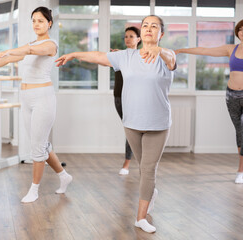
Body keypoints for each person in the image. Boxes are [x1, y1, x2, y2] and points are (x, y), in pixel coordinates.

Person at [56, 15, 176, 233]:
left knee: (148, 170)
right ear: (141, 32)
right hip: (131, 123)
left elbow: (171, 57)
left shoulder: (167, 57)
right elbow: (98, 56)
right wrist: (74, 54)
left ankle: (140, 218)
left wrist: (159, 50)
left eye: (154, 26)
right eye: (146, 25)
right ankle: (151, 193)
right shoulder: (126, 56)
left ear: (161, 33)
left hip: (158, 124)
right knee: (143, 168)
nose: (149, 29)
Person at [0, 6, 72, 203]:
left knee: (37, 147)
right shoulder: (29, 44)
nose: (36, 24)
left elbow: (28, 50)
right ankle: (64, 176)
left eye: (40, 20)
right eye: (34, 20)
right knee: (42, 145)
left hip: (43, 97)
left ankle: (34, 190)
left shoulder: (50, 44)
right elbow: (13, 57)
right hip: (27, 97)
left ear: (49, 23)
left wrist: (9, 50)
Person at [175, 19, 243, 184]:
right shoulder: (230, 49)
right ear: (237, 33)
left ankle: (240, 171)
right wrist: (182, 50)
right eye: (240, 30)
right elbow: (204, 50)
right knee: (239, 132)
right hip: (231, 95)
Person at [112, 27, 141, 175]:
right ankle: (128, 162)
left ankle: (127, 163)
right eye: (126, 37)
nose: (128, 39)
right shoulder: (119, 56)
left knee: (134, 130)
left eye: (131, 36)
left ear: (138, 39)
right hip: (119, 97)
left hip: (135, 97)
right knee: (129, 130)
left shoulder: (142, 57)